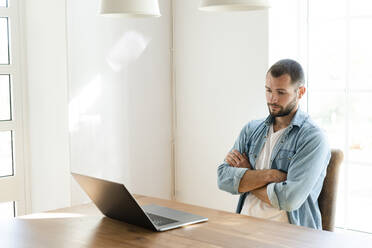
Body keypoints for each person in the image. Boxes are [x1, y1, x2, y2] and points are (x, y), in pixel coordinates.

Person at [217, 59, 330, 229]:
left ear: (300, 92)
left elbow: (289, 199)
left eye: (281, 92)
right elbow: (224, 178)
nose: (273, 99)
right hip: (242, 226)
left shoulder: (313, 138)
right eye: (268, 91)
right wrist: (270, 175)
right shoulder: (251, 130)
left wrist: (247, 177)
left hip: (286, 235)